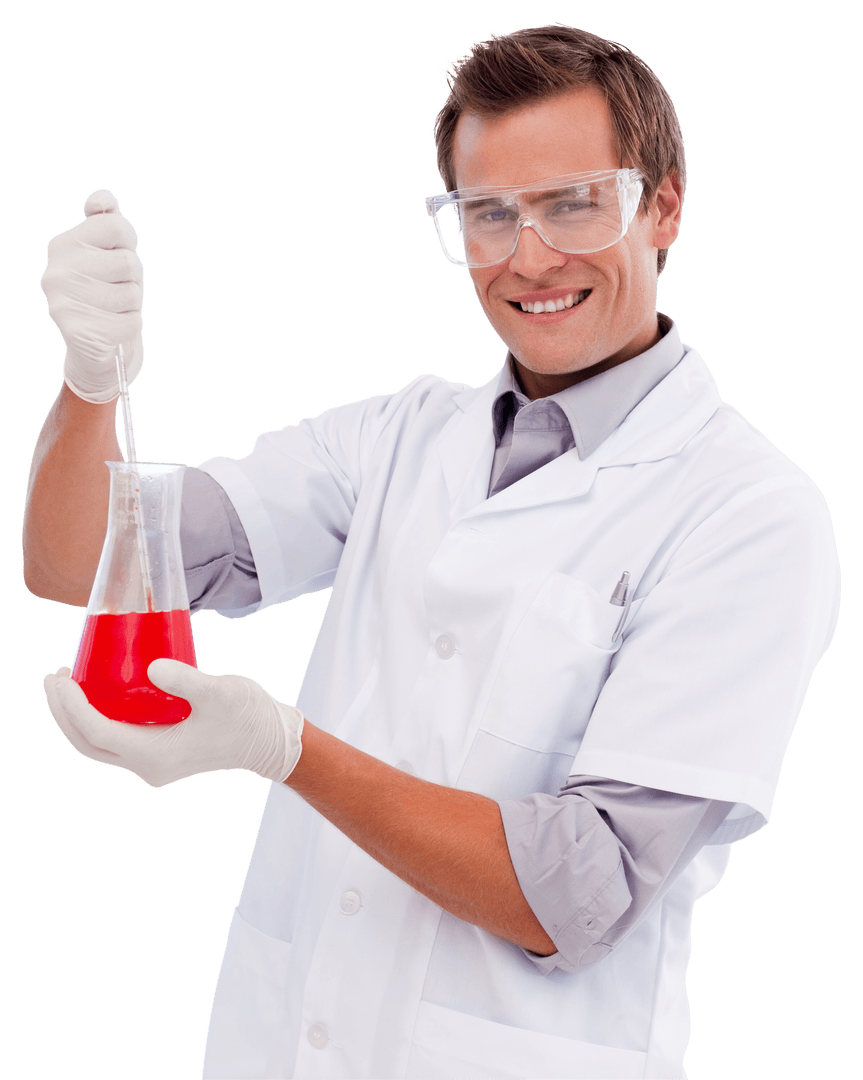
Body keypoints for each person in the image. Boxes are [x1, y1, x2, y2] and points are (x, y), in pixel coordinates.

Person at [25, 24, 839, 1080]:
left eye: (572, 202)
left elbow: (579, 894)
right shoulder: (394, 437)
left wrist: (285, 748)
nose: (528, 257)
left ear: (663, 206)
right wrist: (90, 382)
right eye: (487, 213)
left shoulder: (746, 512)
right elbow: (76, 561)